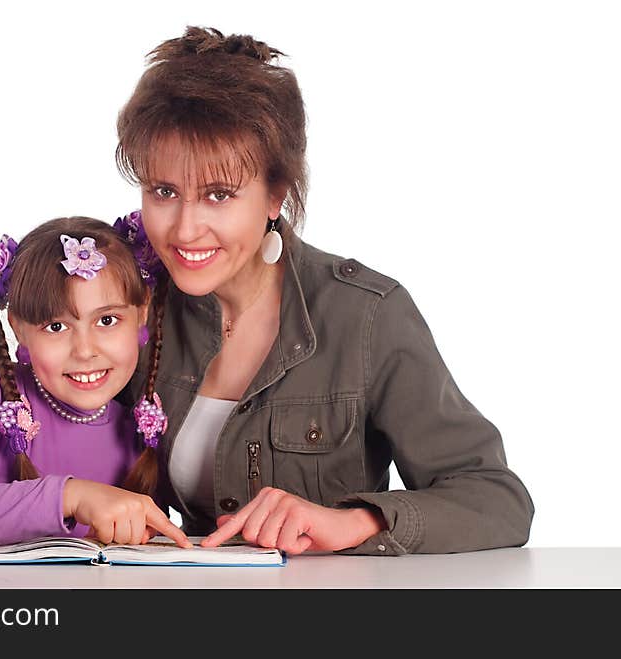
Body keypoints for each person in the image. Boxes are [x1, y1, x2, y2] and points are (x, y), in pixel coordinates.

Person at [114, 26, 535, 555]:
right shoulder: (131, 309)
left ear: (275, 196)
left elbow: (499, 500)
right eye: (164, 191)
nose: (183, 228)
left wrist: (358, 521)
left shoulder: (366, 316)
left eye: (218, 195)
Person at [0, 217, 191, 553]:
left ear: (141, 313)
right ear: (19, 329)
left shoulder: (142, 425)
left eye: (107, 320)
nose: (85, 351)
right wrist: (72, 495)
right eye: (55, 326)